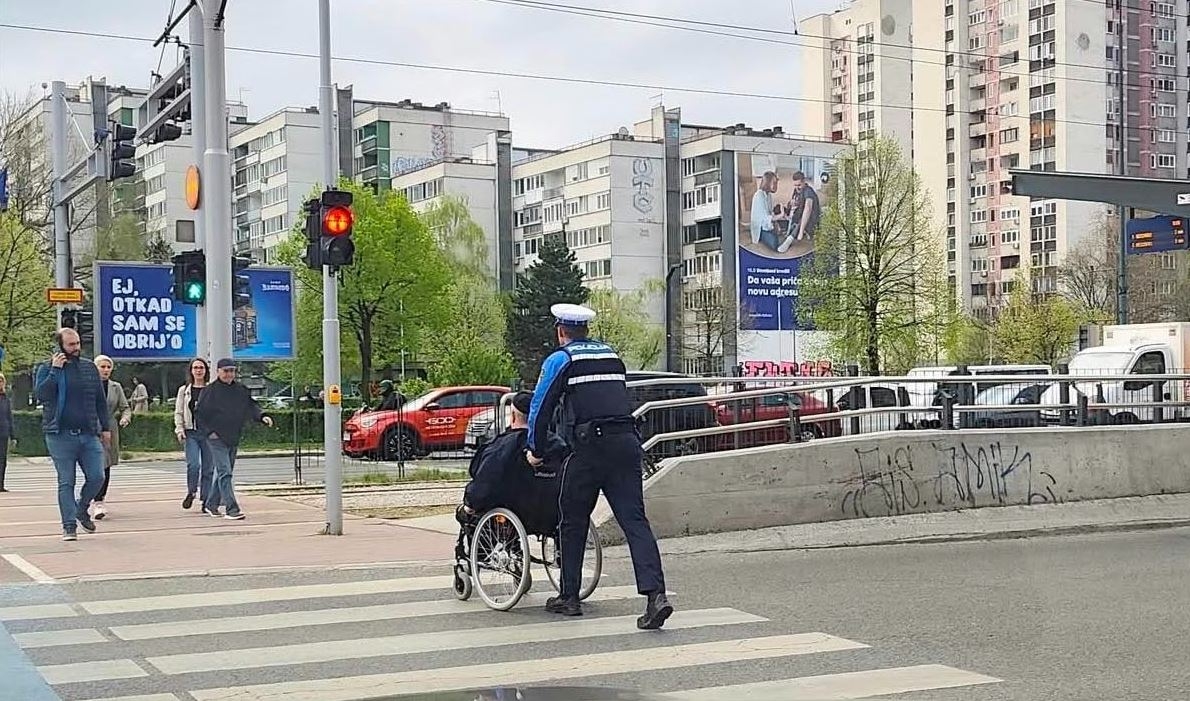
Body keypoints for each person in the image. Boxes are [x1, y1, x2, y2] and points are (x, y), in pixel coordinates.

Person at [526, 303, 672, 629]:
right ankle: (656, 596)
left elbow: (540, 406)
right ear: (586, 331)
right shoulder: (611, 355)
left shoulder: (561, 359)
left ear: (560, 331)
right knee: (634, 520)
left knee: (572, 519)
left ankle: (569, 597)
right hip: (627, 444)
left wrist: (535, 448)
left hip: (590, 447)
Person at [34, 328, 112, 541]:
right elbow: (41, 395)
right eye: (70, 345)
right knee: (66, 481)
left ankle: (81, 508)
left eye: (77, 343)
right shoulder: (46, 368)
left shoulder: (88, 368)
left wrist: (105, 428)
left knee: (97, 476)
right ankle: (69, 526)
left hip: (88, 433)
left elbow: (99, 402)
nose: (76, 348)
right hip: (59, 435)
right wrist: (55, 371)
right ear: (60, 346)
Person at [459, 391, 567, 531]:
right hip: (554, 514)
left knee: (468, 515)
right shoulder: (557, 444)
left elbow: (485, 483)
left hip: (514, 515)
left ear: (513, 416)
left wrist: (470, 504)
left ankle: (483, 551)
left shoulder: (502, 446)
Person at [193, 358, 273, 520]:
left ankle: (211, 504)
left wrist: (262, 416)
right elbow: (200, 414)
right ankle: (232, 509)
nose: (229, 374)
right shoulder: (209, 391)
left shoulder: (241, 390)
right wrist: (209, 433)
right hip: (216, 438)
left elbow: (251, 406)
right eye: (226, 371)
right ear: (218, 372)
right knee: (225, 472)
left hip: (233, 436)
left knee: (224, 473)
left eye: (232, 371)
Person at [90, 355, 132, 520]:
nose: (106, 370)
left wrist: (125, 417)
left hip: (110, 428)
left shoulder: (116, 387)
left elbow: (125, 407)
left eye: (108, 367)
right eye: (102, 367)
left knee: (105, 465)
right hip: (91, 428)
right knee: (94, 465)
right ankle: (89, 497)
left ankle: (99, 500)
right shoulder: (88, 385)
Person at [174, 357, 214, 513]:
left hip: (208, 434)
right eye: (196, 368)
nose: (198, 371)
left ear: (206, 371)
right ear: (191, 371)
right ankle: (191, 491)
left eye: (201, 368)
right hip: (191, 432)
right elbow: (179, 411)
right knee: (193, 465)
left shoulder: (211, 390)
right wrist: (179, 429)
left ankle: (206, 500)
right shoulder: (184, 391)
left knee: (208, 468)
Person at [777, 170, 821, 253]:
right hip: (799, 213)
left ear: (804, 182)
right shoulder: (796, 190)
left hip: (811, 218)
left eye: (799, 185)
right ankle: (785, 229)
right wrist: (791, 203)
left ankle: (790, 238)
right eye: (795, 185)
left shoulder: (808, 191)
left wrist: (800, 232)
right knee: (778, 208)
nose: (797, 187)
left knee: (802, 215)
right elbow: (792, 203)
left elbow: (808, 209)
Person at [0, 372, 12, 493]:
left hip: (3, 432)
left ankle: (1, 484)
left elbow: (9, 416)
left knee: (2, 460)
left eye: (1, 381)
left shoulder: (5, 398)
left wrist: (13, 434)